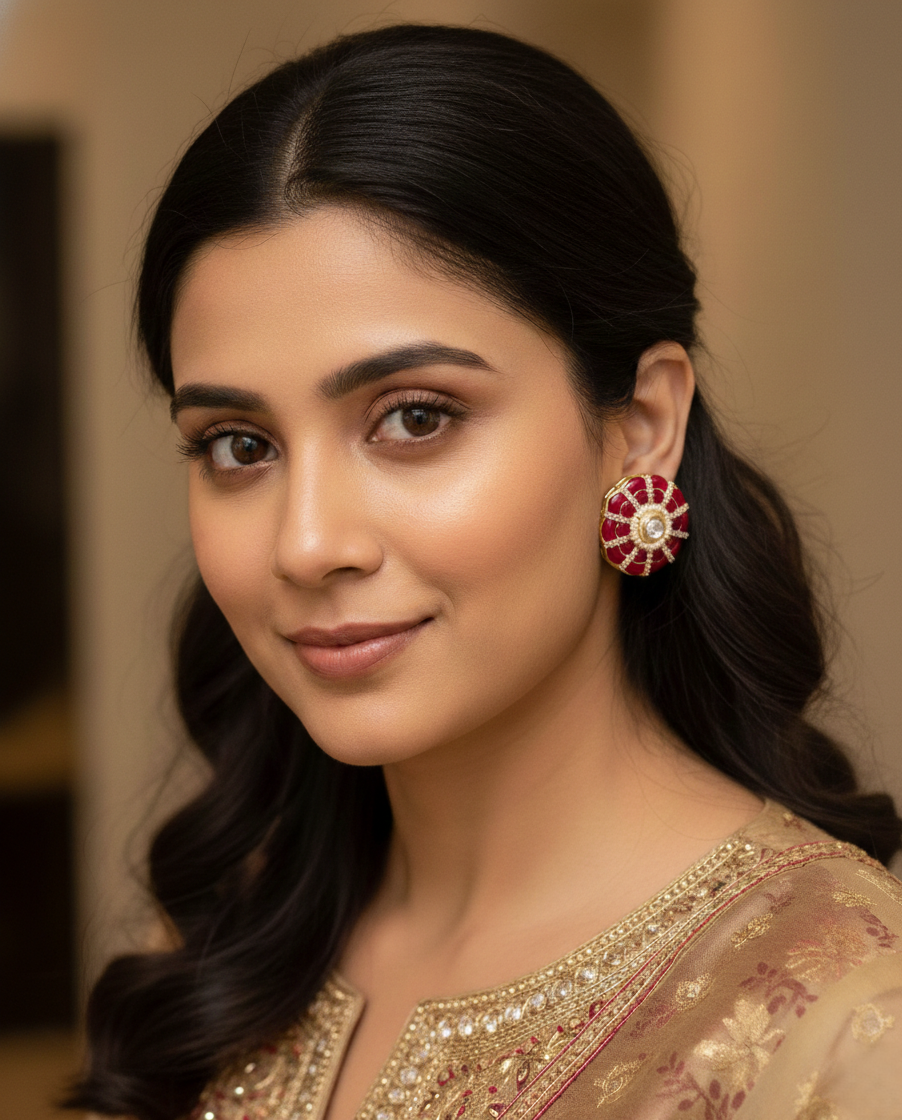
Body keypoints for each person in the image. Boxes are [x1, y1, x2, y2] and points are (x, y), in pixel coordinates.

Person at [66, 23, 902, 1120]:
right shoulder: (225, 940)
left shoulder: (844, 1022)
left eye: (415, 417)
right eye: (240, 444)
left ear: (640, 426)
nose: (306, 544)